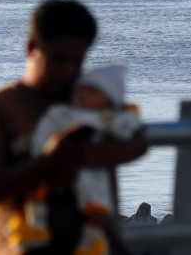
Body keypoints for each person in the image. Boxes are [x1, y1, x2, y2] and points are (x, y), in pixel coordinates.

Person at [0, 0, 147, 255]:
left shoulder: (88, 100)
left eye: (77, 61)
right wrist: (50, 160)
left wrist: (81, 156)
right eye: (58, 59)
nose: (68, 70)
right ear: (31, 48)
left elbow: (138, 140)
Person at [23, 64, 143, 255]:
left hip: (91, 175)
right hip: (56, 170)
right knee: (39, 195)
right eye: (81, 90)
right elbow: (46, 128)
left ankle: (90, 240)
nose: (83, 95)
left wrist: (127, 112)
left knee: (95, 206)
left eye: (93, 92)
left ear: (110, 102)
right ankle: (36, 227)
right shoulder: (63, 113)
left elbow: (128, 128)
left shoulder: (106, 118)